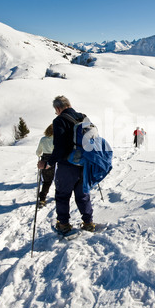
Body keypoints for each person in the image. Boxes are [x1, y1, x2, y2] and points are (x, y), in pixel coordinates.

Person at [37, 96, 95, 235]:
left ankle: (63, 224)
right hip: (84, 163)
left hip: (67, 165)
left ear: (58, 108)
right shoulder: (83, 117)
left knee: (63, 195)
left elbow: (59, 147)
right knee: (83, 195)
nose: (56, 113)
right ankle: (88, 223)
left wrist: (48, 164)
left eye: (55, 111)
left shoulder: (59, 120)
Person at [36, 124, 55, 208]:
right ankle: (59, 196)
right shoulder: (56, 139)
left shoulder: (43, 139)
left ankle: (42, 198)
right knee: (58, 179)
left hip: (45, 160)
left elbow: (38, 152)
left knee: (47, 181)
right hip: (55, 159)